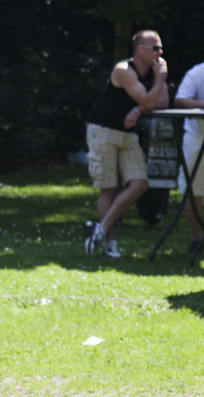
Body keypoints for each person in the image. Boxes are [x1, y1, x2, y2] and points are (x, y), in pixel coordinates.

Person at [84, 30, 170, 258]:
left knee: (140, 184)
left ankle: (100, 229)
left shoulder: (154, 72)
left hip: (128, 133)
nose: (160, 53)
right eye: (156, 48)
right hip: (103, 130)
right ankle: (110, 243)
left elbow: (162, 102)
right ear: (140, 50)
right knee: (109, 187)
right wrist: (160, 78)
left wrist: (137, 109)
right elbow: (149, 100)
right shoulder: (123, 70)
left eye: (161, 48)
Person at [173, 60, 204, 254]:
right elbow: (180, 100)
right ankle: (197, 241)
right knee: (192, 190)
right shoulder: (198, 72)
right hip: (196, 136)